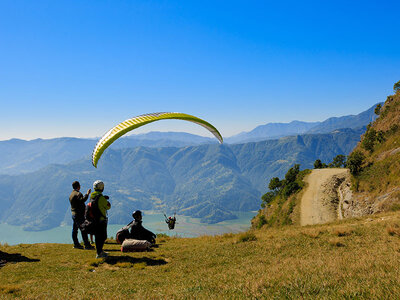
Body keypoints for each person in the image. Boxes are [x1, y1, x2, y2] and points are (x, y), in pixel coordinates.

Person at [69, 181, 94, 249]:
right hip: (79, 215)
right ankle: (87, 245)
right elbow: (82, 200)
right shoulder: (78, 194)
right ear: (78, 186)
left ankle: (76, 244)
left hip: (73, 214)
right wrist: (87, 194)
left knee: (74, 230)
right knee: (83, 229)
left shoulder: (71, 194)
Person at [91, 180, 111, 258]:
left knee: (97, 236)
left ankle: (99, 251)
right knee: (102, 237)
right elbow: (108, 206)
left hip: (94, 219)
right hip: (101, 219)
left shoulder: (92, 196)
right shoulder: (101, 197)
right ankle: (99, 253)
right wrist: (105, 200)